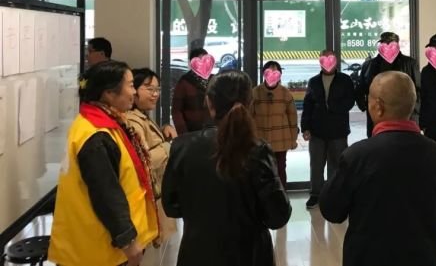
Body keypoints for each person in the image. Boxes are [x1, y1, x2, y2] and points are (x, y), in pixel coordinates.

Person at [320, 71, 436, 266]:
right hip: (425, 258)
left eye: (369, 99)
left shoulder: (357, 156)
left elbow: (331, 210)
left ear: (378, 106)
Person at [162, 70, 291, 266]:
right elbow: (277, 216)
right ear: (249, 104)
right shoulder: (258, 150)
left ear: (209, 103)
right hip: (250, 255)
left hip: (197, 254)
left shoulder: (182, 147)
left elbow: (171, 206)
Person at [48, 61, 158, 266]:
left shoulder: (102, 122)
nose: (134, 92)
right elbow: (106, 194)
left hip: (101, 244)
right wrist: (127, 241)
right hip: (100, 249)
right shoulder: (96, 136)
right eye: (131, 85)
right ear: (109, 93)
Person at [126, 68, 177, 243]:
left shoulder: (142, 116)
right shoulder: (133, 121)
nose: (155, 94)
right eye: (149, 89)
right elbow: (142, 160)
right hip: (146, 198)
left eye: (157, 89)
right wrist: (168, 147)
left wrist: (163, 130)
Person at [301, 49, 356, 210]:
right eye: (323, 59)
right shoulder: (314, 82)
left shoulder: (345, 80)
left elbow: (350, 101)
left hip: (338, 130)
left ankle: (333, 195)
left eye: (330, 59)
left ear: (336, 61)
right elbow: (307, 105)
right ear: (320, 62)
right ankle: (315, 194)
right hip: (317, 130)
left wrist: (332, 106)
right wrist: (305, 127)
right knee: (316, 165)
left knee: (336, 165)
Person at [356, 31, 420, 137]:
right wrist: (365, 106)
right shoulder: (369, 65)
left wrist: (415, 111)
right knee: (378, 143)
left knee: (405, 143)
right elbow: (361, 88)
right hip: (378, 114)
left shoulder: (410, 63)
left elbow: (418, 88)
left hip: (404, 115)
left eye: (391, 43)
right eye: (384, 43)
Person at [251, 60, 298, 187]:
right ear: (264, 74)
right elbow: (249, 116)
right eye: (269, 72)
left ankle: (281, 196)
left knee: (280, 169)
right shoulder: (255, 92)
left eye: (275, 72)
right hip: (261, 140)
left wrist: (293, 139)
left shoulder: (285, 93)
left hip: (281, 140)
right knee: (261, 170)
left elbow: (292, 117)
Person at [171, 47, 213, 134]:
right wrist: (183, 133)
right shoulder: (184, 82)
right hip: (192, 131)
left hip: (212, 130)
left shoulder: (214, 79)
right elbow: (176, 110)